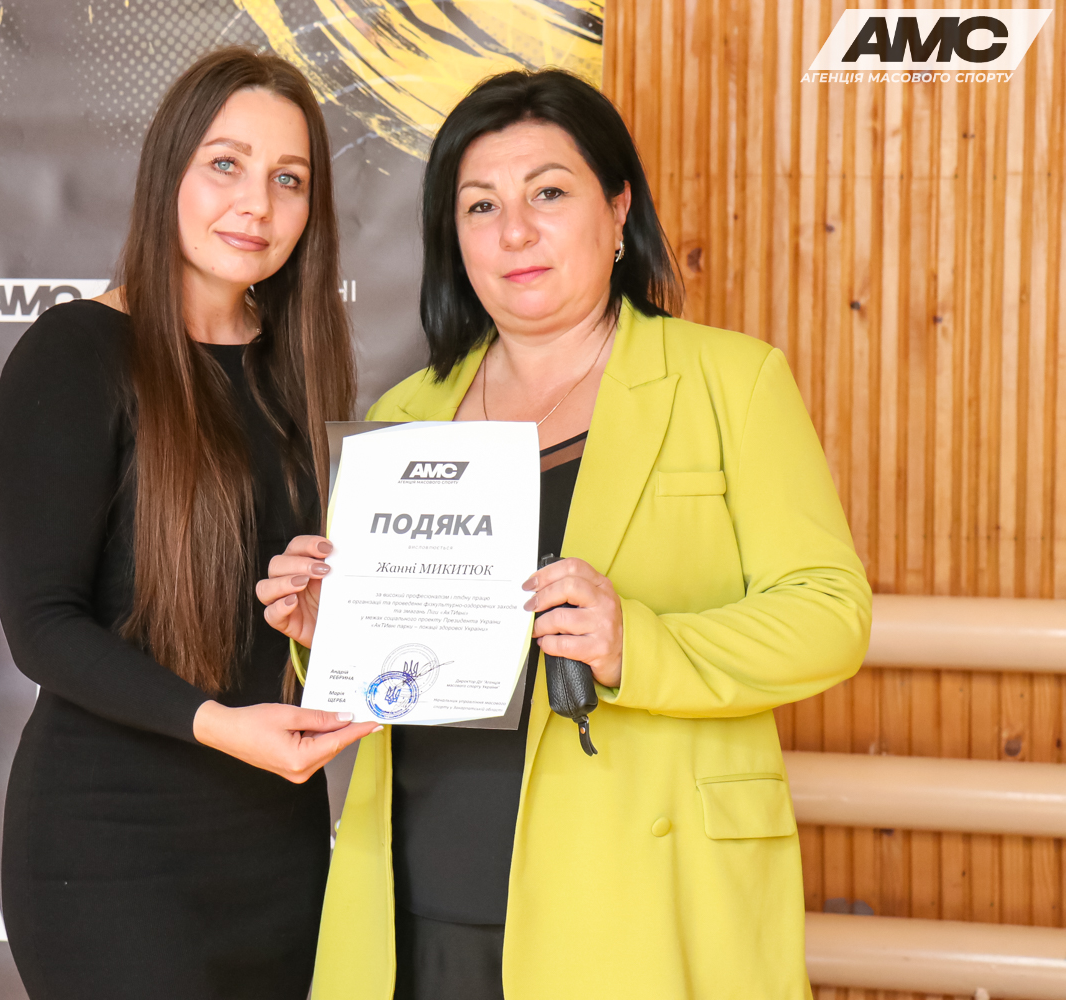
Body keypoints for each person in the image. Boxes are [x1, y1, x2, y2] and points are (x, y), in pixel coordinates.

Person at [258, 69, 872, 999]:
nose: (515, 231)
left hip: (639, 898)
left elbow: (831, 615)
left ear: (618, 210)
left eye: (547, 193)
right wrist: (326, 632)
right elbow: (388, 669)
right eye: (481, 205)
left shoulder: (731, 382)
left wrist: (638, 646)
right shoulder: (405, 414)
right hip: (420, 899)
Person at [0, 47, 377, 1000]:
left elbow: (271, 620)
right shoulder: (77, 354)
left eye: (289, 179)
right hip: (109, 851)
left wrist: (317, 624)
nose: (257, 205)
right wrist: (220, 726)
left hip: (275, 846)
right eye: (226, 164)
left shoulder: (298, 370)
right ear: (169, 171)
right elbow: (42, 627)